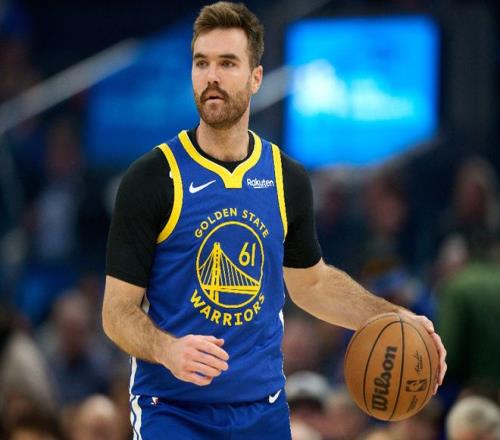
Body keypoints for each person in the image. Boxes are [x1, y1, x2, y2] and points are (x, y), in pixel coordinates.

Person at [101, 2, 447, 439]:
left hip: (260, 411)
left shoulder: (286, 178)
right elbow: (116, 312)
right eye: (201, 63)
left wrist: (394, 316)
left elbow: (312, 285)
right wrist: (167, 349)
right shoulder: (153, 177)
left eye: (227, 63)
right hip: (173, 410)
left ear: (256, 78)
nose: (211, 76)